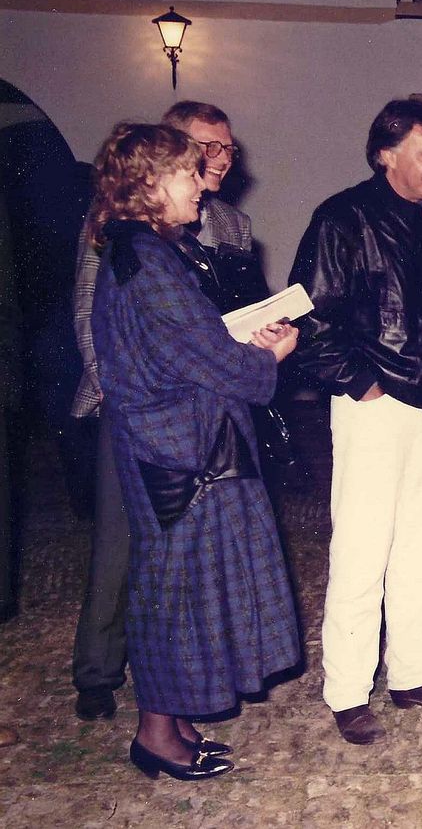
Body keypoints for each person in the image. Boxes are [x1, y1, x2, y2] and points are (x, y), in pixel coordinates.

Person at [88, 122, 300, 779]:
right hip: (179, 452)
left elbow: (188, 345)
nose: (199, 187)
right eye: (187, 173)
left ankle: (173, 719)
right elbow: (210, 360)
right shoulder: (149, 264)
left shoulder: (145, 251)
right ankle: (156, 735)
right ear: (151, 184)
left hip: (176, 446)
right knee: (172, 592)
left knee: (180, 587)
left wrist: (238, 343)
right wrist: (268, 356)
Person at [288, 99, 422, 745]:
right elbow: (311, 318)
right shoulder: (341, 219)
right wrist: (360, 384)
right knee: (362, 547)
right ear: (385, 156)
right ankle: (347, 691)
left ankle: (414, 673)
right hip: (374, 403)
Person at [68, 101, 262, 723]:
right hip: (139, 404)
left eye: (227, 148)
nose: (219, 160)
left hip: (204, 400)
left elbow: (226, 308)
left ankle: (180, 695)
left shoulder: (231, 223)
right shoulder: (119, 229)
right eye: (206, 149)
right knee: (122, 548)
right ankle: (99, 673)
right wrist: (117, 389)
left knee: (182, 561)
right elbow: (92, 312)